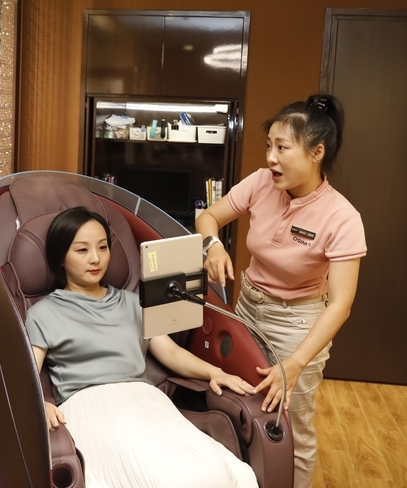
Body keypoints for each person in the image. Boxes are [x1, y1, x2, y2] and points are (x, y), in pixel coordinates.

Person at [195, 94, 367, 488]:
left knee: (290, 424)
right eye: (268, 146)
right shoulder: (261, 182)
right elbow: (208, 217)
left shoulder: (342, 218)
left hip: (298, 326)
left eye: (282, 148)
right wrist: (214, 245)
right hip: (247, 308)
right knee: (239, 402)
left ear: (316, 152)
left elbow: (340, 305)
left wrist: (295, 363)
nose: (271, 157)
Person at [26, 206, 260, 488]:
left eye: (102, 247)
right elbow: (27, 376)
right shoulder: (44, 312)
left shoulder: (132, 302)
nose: (96, 258)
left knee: (216, 474)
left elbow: (171, 352)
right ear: (61, 257)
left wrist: (214, 372)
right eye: (82, 250)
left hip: (146, 400)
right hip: (89, 406)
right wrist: (42, 404)